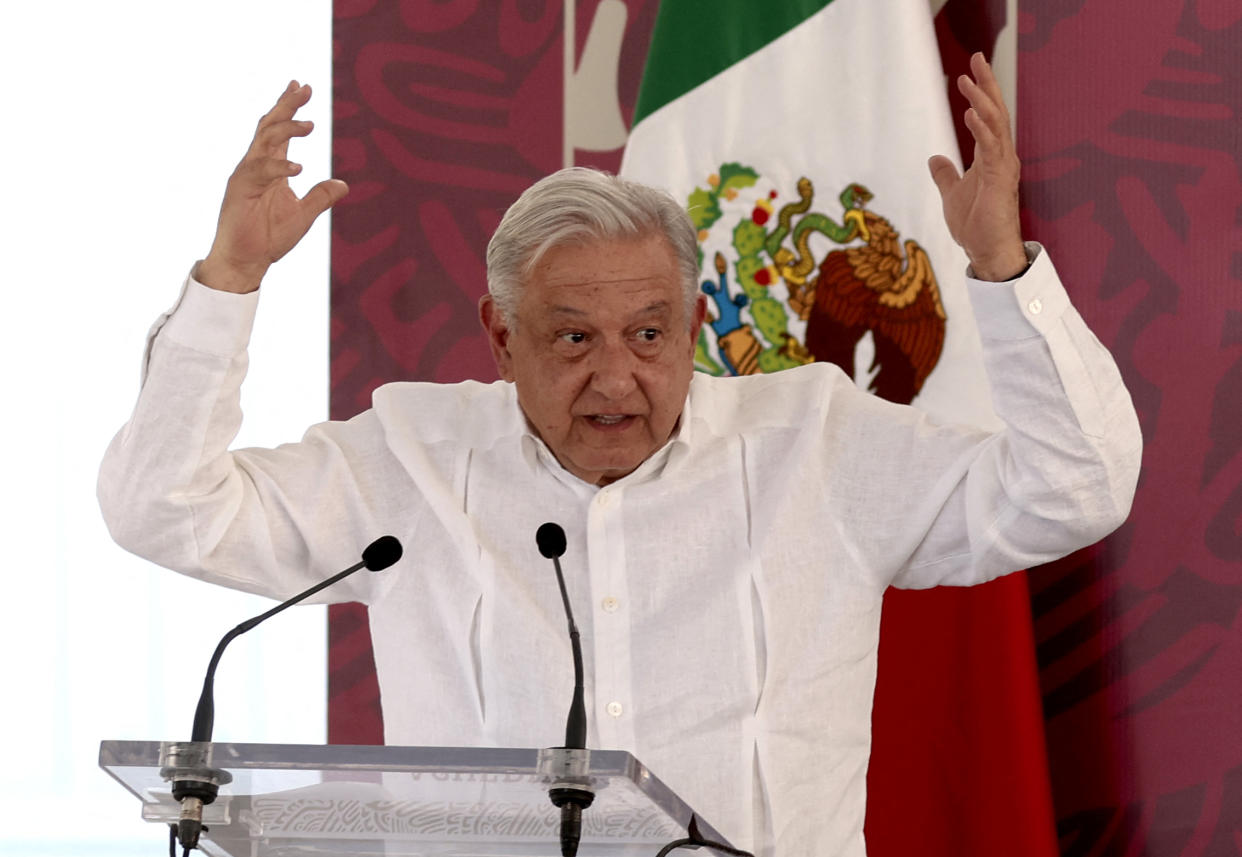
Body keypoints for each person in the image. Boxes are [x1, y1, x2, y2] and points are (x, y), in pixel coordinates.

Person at [99, 54, 1141, 857]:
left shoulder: (818, 445)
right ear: (500, 338)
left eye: (649, 335)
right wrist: (228, 280)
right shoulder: (408, 459)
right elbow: (165, 508)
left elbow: (1075, 487)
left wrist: (1002, 271)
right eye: (570, 338)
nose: (614, 377)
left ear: (692, 325)